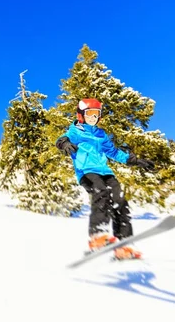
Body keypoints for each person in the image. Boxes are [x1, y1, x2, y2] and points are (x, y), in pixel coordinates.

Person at [56, 98, 154, 260]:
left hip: (105, 171)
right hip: (86, 171)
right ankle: (97, 234)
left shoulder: (101, 134)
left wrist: (134, 160)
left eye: (97, 114)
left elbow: (114, 152)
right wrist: (65, 144)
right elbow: (62, 139)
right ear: (81, 115)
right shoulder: (75, 131)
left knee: (119, 199)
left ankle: (124, 243)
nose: (94, 118)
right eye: (90, 114)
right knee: (100, 191)